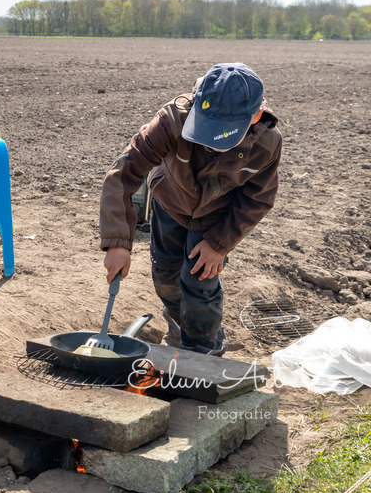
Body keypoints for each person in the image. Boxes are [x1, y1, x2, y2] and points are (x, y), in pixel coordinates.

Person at [99, 63, 281, 356]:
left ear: (255, 117)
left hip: (215, 218)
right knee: (165, 276)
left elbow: (257, 200)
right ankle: (179, 331)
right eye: (207, 129)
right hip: (170, 203)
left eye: (224, 134)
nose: (213, 142)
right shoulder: (172, 120)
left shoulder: (268, 144)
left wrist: (219, 245)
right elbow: (123, 173)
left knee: (199, 285)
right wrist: (117, 243)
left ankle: (203, 351)